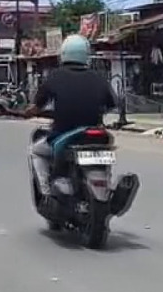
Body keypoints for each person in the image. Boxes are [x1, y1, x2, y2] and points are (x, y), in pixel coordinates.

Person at [26, 34, 116, 188]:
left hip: (64, 134)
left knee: (36, 151)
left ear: (63, 54)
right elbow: (112, 104)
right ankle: (107, 181)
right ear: (87, 55)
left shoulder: (55, 76)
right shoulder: (99, 78)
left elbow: (38, 105)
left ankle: (45, 188)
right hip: (95, 135)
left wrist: (29, 112)